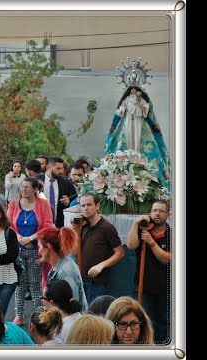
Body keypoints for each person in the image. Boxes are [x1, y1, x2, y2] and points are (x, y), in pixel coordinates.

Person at [7, 177, 55, 325]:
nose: (23, 189)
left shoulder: (43, 204)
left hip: (36, 249)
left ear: (35, 189)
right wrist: (21, 238)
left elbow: (48, 226)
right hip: (18, 249)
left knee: (35, 284)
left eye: (27, 187)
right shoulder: (14, 204)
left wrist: (31, 238)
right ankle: (18, 314)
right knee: (20, 284)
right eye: (22, 186)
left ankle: (39, 315)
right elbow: (8, 225)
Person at [104, 85, 170, 188]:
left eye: (135, 90)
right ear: (129, 91)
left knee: (139, 139)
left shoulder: (141, 98)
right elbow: (122, 107)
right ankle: (129, 156)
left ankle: (137, 155)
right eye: (132, 90)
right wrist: (121, 110)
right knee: (127, 138)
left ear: (138, 90)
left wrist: (140, 103)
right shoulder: (126, 99)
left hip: (140, 121)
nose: (133, 91)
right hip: (128, 121)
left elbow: (146, 109)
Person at [126, 199, 170, 344]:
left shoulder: (172, 234)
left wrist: (151, 242)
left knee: (163, 323)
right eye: (154, 210)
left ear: (167, 214)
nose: (157, 214)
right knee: (143, 320)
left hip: (165, 288)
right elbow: (131, 245)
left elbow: (166, 259)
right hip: (142, 286)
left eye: (161, 211)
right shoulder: (143, 229)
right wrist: (135, 223)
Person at [79, 193, 125, 303]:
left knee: (95, 315)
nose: (86, 208)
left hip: (97, 282)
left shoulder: (107, 227)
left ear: (97, 206)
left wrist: (101, 265)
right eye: (83, 205)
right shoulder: (83, 226)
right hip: (82, 279)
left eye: (89, 205)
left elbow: (120, 253)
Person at [37, 227, 88, 313]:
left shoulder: (66, 272)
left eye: (39, 246)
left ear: (48, 247)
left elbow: (72, 307)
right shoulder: (57, 266)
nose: (38, 251)